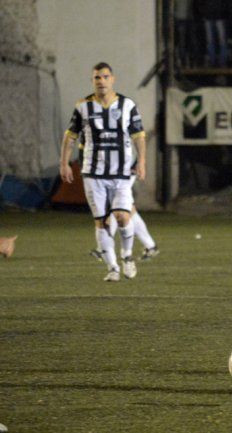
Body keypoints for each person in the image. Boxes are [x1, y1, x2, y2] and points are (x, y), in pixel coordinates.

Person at [59, 62, 146, 282]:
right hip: (93, 173)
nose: (101, 81)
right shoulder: (83, 106)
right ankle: (112, 268)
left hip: (122, 173)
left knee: (123, 216)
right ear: (93, 81)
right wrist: (64, 163)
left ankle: (127, 256)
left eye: (105, 77)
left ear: (112, 79)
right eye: (97, 78)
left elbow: (139, 136)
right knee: (103, 222)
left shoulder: (127, 105)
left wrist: (142, 161)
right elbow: (70, 136)